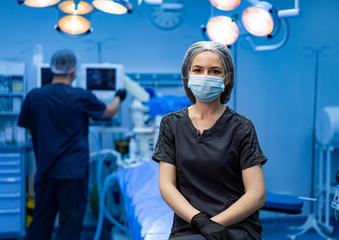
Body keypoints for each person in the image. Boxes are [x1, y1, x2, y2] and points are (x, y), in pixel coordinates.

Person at [152, 41, 267, 240]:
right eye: (198, 70)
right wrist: (199, 221)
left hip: (235, 226)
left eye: (214, 71)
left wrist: (213, 225)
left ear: (226, 79)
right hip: (189, 224)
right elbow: (166, 185)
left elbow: (256, 194)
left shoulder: (241, 127)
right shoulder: (171, 124)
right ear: (187, 75)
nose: (205, 76)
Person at [18, 49, 126, 240]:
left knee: (40, 225)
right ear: (73, 72)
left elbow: (29, 130)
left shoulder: (34, 96)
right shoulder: (80, 96)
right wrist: (119, 97)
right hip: (73, 175)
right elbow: (109, 112)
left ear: (52, 70)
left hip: (45, 174)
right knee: (69, 227)